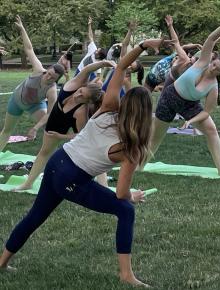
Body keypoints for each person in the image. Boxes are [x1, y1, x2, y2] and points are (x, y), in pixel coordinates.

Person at [0, 38, 170, 287]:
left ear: (126, 100)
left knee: (36, 215)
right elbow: (122, 194)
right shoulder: (132, 148)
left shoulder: (110, 106)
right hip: (71, 177)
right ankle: (126, 275)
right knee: (125, 210)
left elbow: (120, 67)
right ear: (146, 116)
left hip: (58, 161)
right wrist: (132, 196)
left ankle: (2, 262)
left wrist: (143, 45)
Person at [150, 20, 220, 176]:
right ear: (212, 61)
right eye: (214, 64)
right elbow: (211, 39)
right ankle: (140, 165)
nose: (213, 68)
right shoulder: (203, 62)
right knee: (156, 137)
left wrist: (190, 121)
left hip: (189, 106)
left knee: (212, 130)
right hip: (169, 97)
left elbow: (206, 112)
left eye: (217, 70)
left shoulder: (213, 87)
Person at [13, 59, 116, 192]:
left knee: (93, 152)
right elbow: (87, 69)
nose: (78, 95)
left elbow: (81, 135)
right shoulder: (72, 86)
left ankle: (104, 188)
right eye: (80, 91)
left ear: (88, 102)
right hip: (55, 122)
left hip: (65, 128)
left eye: (82, 97)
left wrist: (61, 136)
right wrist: (104, 63)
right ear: (82, 86)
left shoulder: (80, 112)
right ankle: (28, 183)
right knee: (44, 152)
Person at [0, 16, 64, 152]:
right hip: (16, 101)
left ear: (55, 81)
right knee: (7, 131)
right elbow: (29, 49)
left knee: (51, 127)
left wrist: (35, 128)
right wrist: (22, 29)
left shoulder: (52, 91)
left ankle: (52, 157)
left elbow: (50, 114)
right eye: (48, 73)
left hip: (34, 105)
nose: (47, 77)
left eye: (52, 78)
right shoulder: (38, 70)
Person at [74, 16, 107, 81]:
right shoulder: (93, 49)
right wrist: (89, 25)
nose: (96, 50)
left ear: (99, 55)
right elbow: (91, 36)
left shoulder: (98, 64)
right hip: (79, 70)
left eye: (98, 51)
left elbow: (98, 76)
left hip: (86, 76)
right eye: (98, 49)